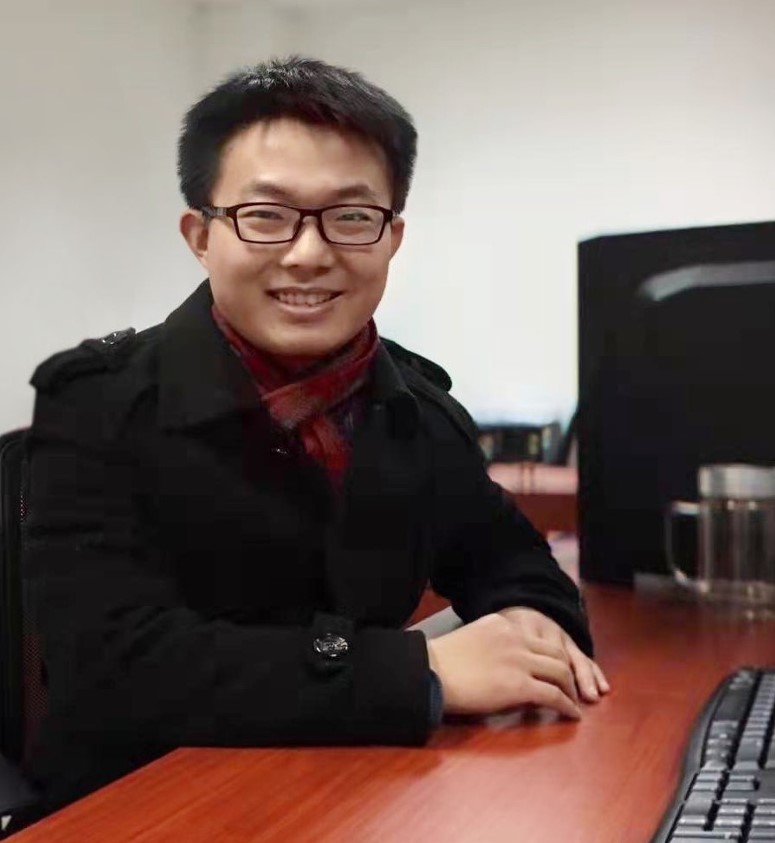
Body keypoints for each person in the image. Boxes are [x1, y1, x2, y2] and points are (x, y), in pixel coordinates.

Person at [22, 56, 609, 816]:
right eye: (265, 215)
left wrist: (533, 622)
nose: (308, 253)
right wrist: (416, 668)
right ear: (200, 234)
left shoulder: (414, 408)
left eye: (351, 216)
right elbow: (115, 666)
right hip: (137, 806)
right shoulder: (97, 403)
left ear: (392, 235)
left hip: (353, 798)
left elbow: (512, 562)